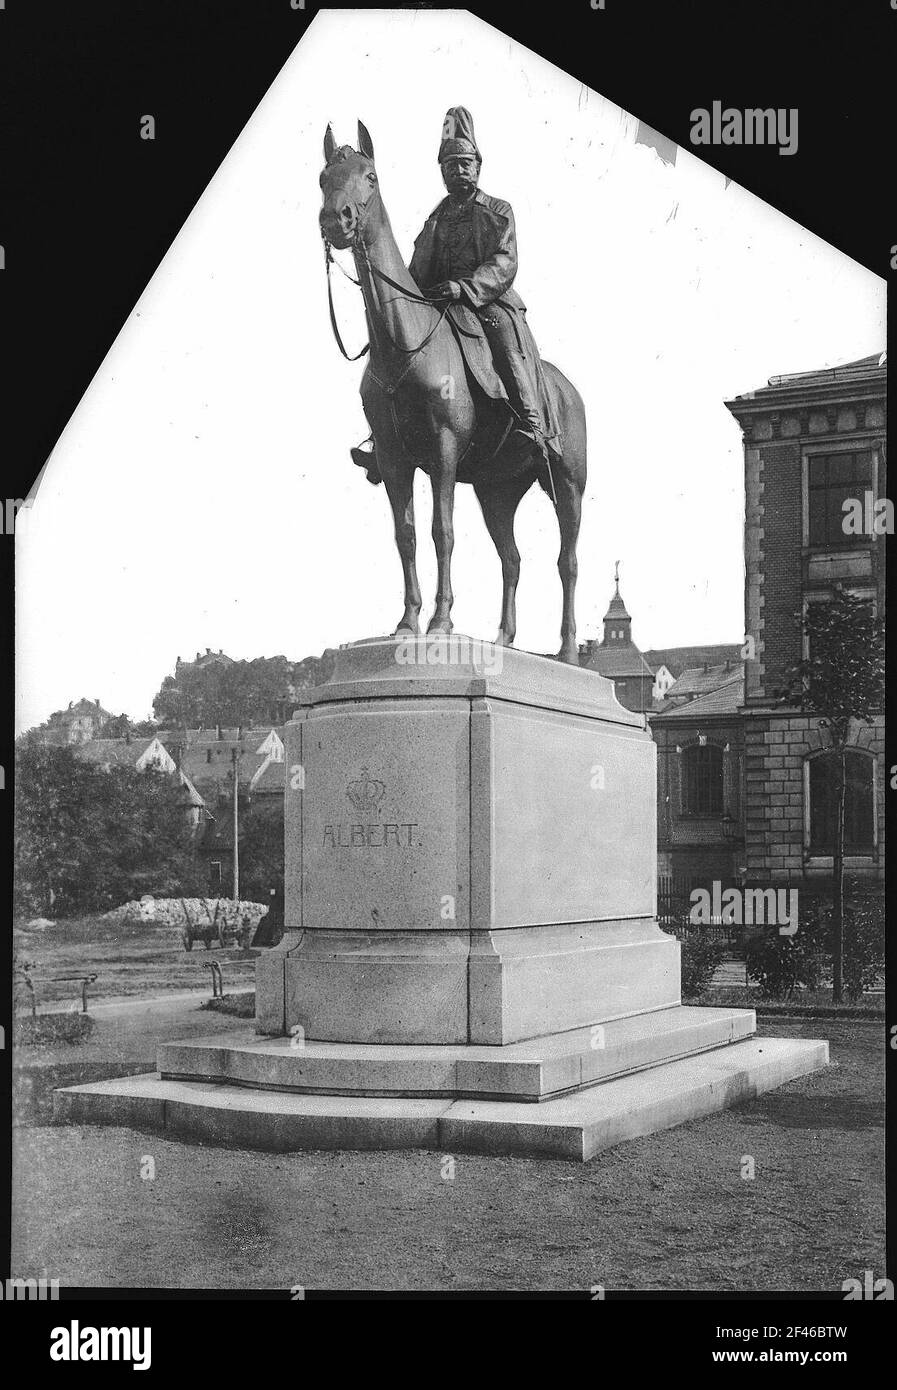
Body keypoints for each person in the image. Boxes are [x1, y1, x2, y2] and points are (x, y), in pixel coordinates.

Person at [352, 105, 559, 483]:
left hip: (488, 300)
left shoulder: (498, 211)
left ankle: (532, 421)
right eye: (450, 165)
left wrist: (465, 287)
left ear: (478, 166)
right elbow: (417, 269)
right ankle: (382, 437)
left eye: (465, 163)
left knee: (501, 331)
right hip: (442, 303)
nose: (458, 171)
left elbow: (505, 262)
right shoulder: (436, 218)